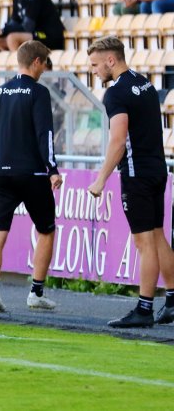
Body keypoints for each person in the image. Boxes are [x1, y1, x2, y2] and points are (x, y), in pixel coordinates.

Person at [86, 36, 174, 328]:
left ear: (111, 60)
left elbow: (118, 141)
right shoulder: (145, 83)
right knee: (159, 236)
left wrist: (101, 179)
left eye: (97, 65)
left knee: (144, 242)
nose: (95, 71)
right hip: (157, 169)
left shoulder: (116, 93)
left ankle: (145, 308)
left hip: (136, 173)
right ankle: (172, 301)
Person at [0, 41, 63, 313]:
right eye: (45, 63)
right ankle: (36, 292)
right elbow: (45, 134)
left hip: (1, 172)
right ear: (37, 62)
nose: (45, 69)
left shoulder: (0, 91)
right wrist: (52, 168)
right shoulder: (38, 92)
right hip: (33, 173)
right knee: (47, 230)